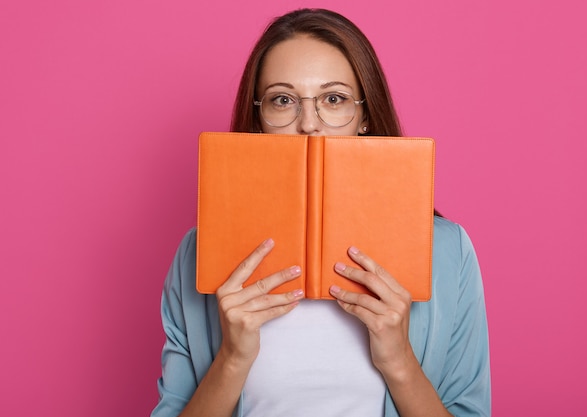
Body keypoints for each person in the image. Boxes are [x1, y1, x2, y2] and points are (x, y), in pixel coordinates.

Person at [152, 8, 490, 417]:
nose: (309, 124)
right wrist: (231, 359)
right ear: (258, 120)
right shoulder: (197, 256)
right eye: (282, 100)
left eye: (334, 99)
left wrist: (399, 361)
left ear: (364, 116)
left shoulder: (448, 252)